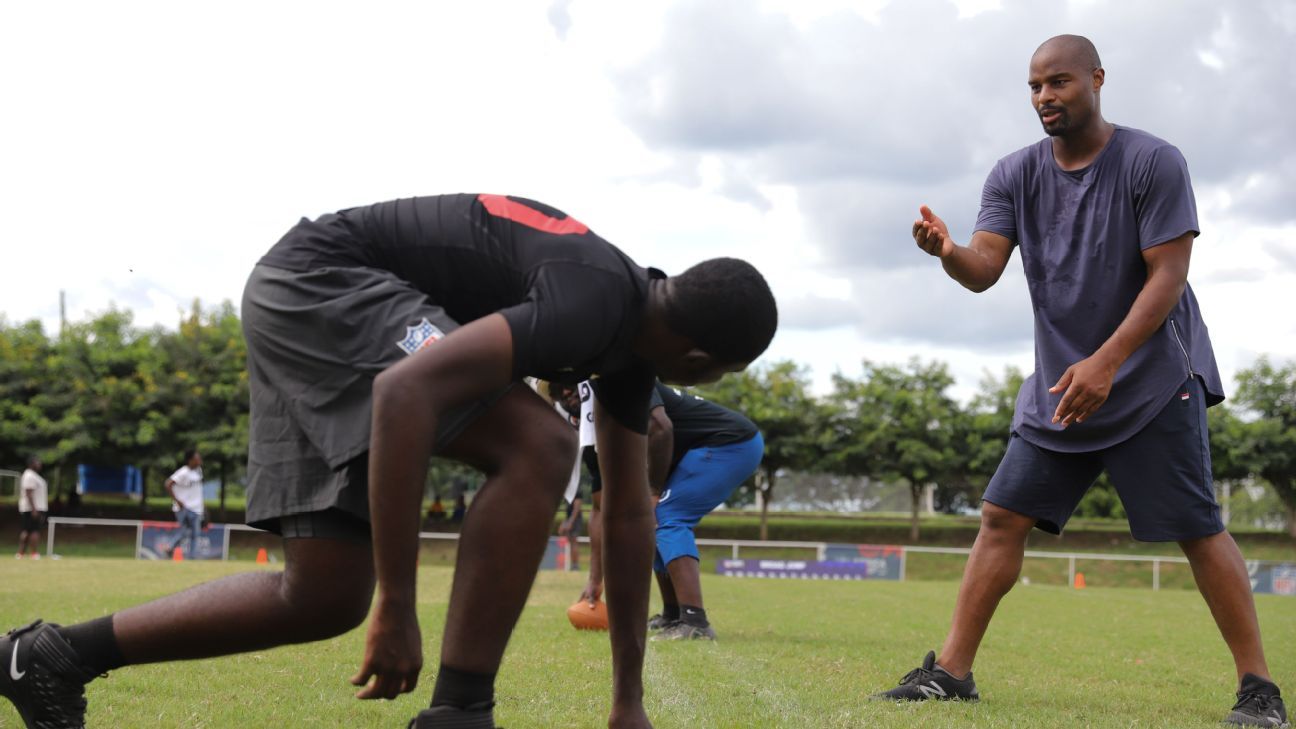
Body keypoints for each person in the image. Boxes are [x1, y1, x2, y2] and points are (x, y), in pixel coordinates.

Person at [0, 193, 777, 729]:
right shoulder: (593, 299)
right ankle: (461, 710)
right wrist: (399, 605)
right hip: (325, 283)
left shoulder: (629, 346)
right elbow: (407, 389)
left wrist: (627, 701)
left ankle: (51, 656)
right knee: (537, 441)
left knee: (323, 594)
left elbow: (632, 510)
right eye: (713, 373)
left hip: (302, 299)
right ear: (702, 357)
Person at [874, 36, 1286, 728]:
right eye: (1034, 87)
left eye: (1058, 83)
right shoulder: (1013, 174)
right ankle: (951, 672)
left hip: (1153, 379)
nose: (1044, 98)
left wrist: (1109, 361)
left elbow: (1168, 275)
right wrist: (947, 251)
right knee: (1002, 515)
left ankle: (1259, 688)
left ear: (1096, 79)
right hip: (1063, 387)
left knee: (1197, 526)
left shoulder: (1153, 161)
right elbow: (983, 268)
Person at [576, 382, 763, 641]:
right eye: (556, 394)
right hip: (703, 448)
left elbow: (661, 427)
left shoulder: (620, 375)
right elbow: (599, 505)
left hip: (730, 443)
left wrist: (653, 491)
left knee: (668, 515)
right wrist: (596, 579)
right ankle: (673, 614)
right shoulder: (589, 430)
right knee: (648, 521)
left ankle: (695, 621)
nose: (565, 396)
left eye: (567, 389)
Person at [163, 449, 205, 559]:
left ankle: (192, 557)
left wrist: (203, 507)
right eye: (197, 458)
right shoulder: (183, 472)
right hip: (184, 507)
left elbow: (197, 491)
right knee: (184, 532)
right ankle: (170, 547)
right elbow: (168, 484)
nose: (199, 460)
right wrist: (177, 501)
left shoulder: (199, 471)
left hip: (197, 508)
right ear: (190, 460)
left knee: (195, 534)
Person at [15, 457, 47, 560]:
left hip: (34, 507)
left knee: (27, 530)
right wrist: (34, 509)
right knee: (34, 530)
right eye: (38, 462)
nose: (40, 464)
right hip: (32, 508)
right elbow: (29, 492)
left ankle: (21, 553)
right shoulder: (29, 476)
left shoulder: (34, 475)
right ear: (31, 464)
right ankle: (34, 553)